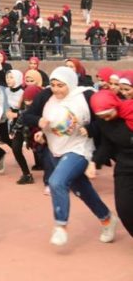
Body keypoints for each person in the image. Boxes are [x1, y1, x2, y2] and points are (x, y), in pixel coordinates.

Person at [28, 67, 117, 246]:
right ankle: (107, 218)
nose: (56, 89)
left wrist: (90, 129)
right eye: (53, 85)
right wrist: (39, 125)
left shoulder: (85, 96)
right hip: (56, 149)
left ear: (70, 83)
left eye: (60, 86)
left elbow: (103, 119)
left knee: (56, 182)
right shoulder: (46, 96)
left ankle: (61, 226)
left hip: (80, 148)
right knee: (82, 190)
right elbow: (27, 116)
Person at [90, 90, 133, 238]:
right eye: (102, 117)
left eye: (108, 114)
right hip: (125, 167)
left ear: (115, 105)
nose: (106, 119)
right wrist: (94, 162)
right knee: (124, 208)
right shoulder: (104, 123)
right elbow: (106, 145)